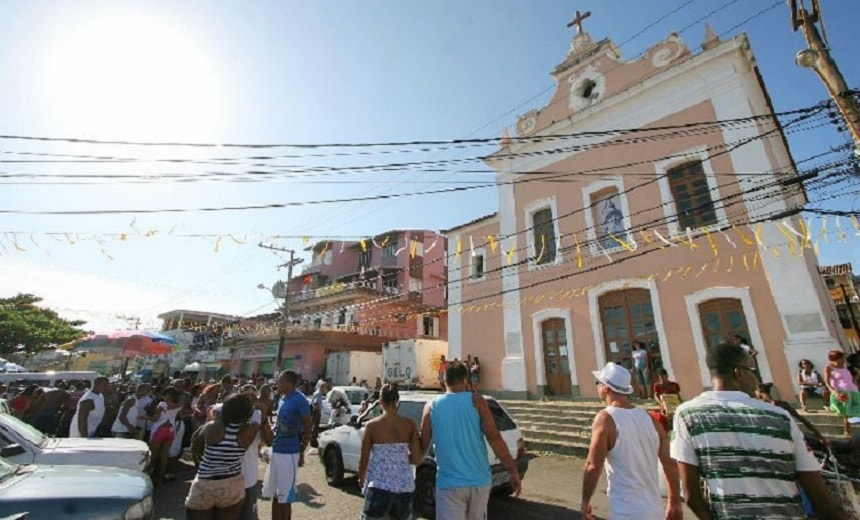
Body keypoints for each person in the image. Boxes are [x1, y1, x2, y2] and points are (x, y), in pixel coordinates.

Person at [671, 343, 843, 519]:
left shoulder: (688, 414)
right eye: (753, 371)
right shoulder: (780, 417)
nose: (756, 379)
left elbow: (690, 494)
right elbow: (820, 498)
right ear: (739, 372)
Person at [420, 361, 521, 520]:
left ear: (444, 379)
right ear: (465, 380)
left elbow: (422, 446)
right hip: (479, 481)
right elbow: (494, 438)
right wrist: (512, 470)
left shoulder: (431, 406)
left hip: (449, 484)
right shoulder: (477, 401)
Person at [580, 362, 681, 520]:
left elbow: (593, 466)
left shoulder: (606, 419)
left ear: (606, 388)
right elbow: (670, 464)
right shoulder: (650, 419)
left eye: (597, 383)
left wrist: (585, 501)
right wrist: (674, 502)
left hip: (626, 511)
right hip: (655, 510)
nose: (596, 386)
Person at [186, 392, 260, 520]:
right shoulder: (249, 431)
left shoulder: (211, 427)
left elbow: (196, 447)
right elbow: (255, 420)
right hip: (232, 484)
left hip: (206, 482)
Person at [358, 384, 423, 520]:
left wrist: (362, 479)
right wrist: (401, 458)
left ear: (381, 402)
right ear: (397, 401)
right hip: (404, 486)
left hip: (379, 485)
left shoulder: (372, 426)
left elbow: (363, 459)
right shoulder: (409, 425)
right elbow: (417, 459)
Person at [262, 370, 312, 520]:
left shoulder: (300, 400)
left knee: (285, 498)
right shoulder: (283, 399)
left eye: (280, 381)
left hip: (290, 453)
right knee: (276, 495)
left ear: (289, 383)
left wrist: (302, 452)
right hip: (277, 451)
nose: (277, 384)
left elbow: (308, 426)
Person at [238, 385, 274, 520]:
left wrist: (264, 418)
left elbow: (270, 441)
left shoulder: (257, 415)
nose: (249, 399)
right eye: (245, 396)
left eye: (252, 396)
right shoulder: (230, 412)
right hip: (230, 476)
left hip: (249, 475)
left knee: (248, 514)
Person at [148, 387, 182, 485]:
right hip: (171, 430)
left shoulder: (162, 404)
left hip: (159, 429)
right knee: (164, 455)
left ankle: (149, 475)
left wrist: (145, 417)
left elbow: (155, 418)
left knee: (152, 455)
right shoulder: (178, 405)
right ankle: (160, 478)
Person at [824, 349, 860, 437]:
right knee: (847, 413)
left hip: (853, 391)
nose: (843, 360)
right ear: (834, 359)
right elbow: (828, 382)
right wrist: (834, 392)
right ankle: (847, 431)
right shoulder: (829, 368)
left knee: (856, 411)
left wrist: (857, 376)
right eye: (840, 358)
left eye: (843, 358)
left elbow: (851, 380)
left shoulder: (845, 367)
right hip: (842, 391)